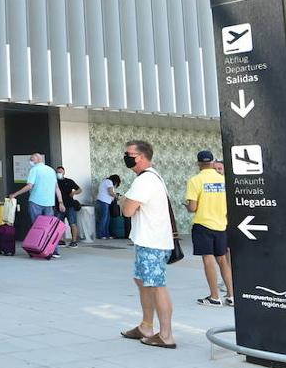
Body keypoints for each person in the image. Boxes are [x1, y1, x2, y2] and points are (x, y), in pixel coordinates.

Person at [118, 140, 177, 349]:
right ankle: (146, 326)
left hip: (152, 241)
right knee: (142, 280)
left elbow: (127, 210)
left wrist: (124, 200)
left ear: (141, 157)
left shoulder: (144, 181)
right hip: (149, 240)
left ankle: (166, 335)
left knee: (156, 285)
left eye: (129, 154)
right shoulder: (152, 177)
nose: (126, 157)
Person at [186, 150, 233, 307]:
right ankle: (232, 295)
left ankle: (214, 297)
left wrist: (187, 206)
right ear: (213, 162)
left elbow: (192, 207)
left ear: (199, 163)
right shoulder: (224, 180)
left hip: (203, 224)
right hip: (221, 224)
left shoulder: (195, 181)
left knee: (208, 259)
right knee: (223, 260)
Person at [9, 152, 63, 258]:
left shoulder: (34, 170)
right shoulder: (51, 170)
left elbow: (29, 186)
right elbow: (56, 188)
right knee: (50, 228)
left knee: (37, 227)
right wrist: (60, 202)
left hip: (35, 202)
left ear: (38, 160)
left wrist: (15, 194)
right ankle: (53, 250)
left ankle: (37, 248)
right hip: (49, 203)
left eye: (32, 159)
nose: (30, 161)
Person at [55, 166, 82, 246]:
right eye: (58, 172)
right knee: (58, 224)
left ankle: (74, 241)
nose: (59, 173)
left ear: (64, 173)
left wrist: (74, 193)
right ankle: (61, 240)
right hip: (59, 206)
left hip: (70, 205)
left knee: (72, 223)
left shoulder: (69, 181)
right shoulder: (54, 181)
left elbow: (79, 189)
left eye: (61, 172)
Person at [96, 174, 120, 239]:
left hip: (104, 202)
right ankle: (101, 234)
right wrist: (117, 197)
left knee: (107, 219)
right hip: (103, 202)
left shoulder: (105, 181)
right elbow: (111, 193)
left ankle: (106, 234)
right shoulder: (108, 182)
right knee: (104, 219)